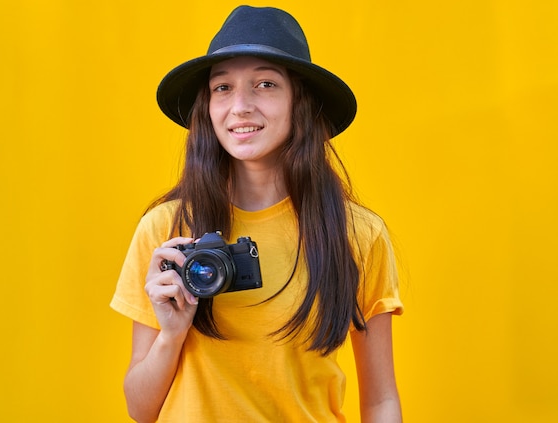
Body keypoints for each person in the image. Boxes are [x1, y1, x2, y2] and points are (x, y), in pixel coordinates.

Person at [111, 5, 403, 422]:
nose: (241, 106)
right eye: (222, 88)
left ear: (298, 101)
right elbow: (140, 410)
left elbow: (380, 400)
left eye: (265, 84)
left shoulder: (356, 233)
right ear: (207, 107)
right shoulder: (167, 229)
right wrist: (172, 334)